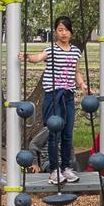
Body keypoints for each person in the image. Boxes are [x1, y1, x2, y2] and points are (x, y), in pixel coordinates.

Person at [20, 16, 88, 185]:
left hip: (68, 95)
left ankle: (66, 168)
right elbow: (38, 58)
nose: (63, 33)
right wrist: (27, 56)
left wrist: (82, 84)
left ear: (71, 31)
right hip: (53, 95)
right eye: (60, 30)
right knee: (54, 133)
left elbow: (76, 71)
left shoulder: (75, 51)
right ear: (56, 32)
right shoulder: (51, 49)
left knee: (67, 134)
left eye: (66, 30)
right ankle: (54, 170)